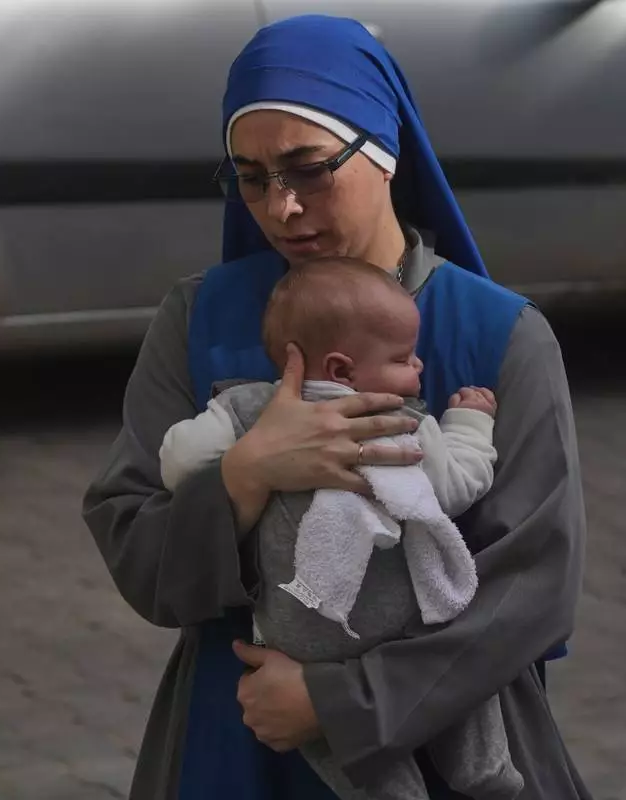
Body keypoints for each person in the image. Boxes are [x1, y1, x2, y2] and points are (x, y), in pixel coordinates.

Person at [81, 13, 591, 800]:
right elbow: (137, 549)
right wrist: (246, 477)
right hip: (240, 733)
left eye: (309, 169)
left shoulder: (499, 335)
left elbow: (532, 585)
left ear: (384, 152)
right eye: (252, 178)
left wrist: (338, 702)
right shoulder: (200, 320)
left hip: (438, 737)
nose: (281, 207)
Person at [157, 255, 523, 800]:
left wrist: (243, 456)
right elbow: (458, 484)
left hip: (300, 637)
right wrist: (470, 423)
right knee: (467, 684)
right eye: (402, 358)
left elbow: (176, 460)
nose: (419, 365)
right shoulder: (404, 421)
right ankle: (487, 770)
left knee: (335, 745)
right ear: (342, 370)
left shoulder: (248, 408)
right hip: (403, 625)